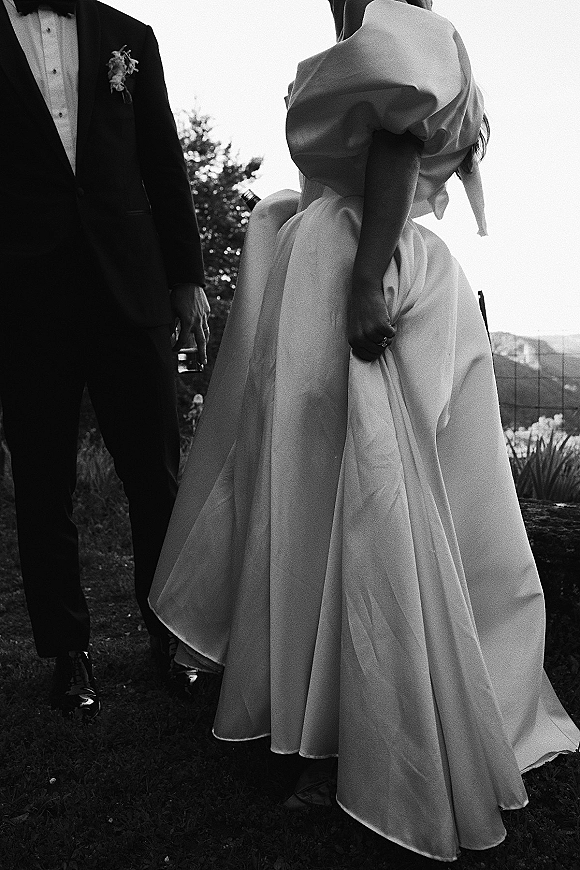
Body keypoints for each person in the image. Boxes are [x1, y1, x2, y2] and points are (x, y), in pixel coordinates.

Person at [149, 0, 580, 862]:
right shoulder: (403, 32)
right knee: (350, 492)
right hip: (356, 258)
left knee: (357, 493)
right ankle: (335, 707)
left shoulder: (400, 29)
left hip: (358, 265)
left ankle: (363, 729)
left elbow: (396, 145)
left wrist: (364, 280)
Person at [0, 0, 210, 721]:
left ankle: (169, 634)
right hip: (25, 299)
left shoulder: (130, 38)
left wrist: (186, 277)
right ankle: (68, 652)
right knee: (42, 482)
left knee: (156, 475)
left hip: (130, 289)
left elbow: (162, 159)